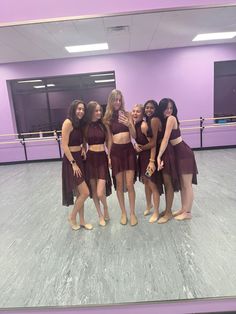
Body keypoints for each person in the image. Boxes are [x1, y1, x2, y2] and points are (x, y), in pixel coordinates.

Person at [157, 98, 198, 221]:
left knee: (186, 184)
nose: (169, 110)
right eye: (166, 108)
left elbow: (165, 139)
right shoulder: (166, 120)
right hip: (178, 154)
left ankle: (188, 212)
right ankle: (183, 208)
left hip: (184, 153)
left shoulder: (171, 118)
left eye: (171, 108)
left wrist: (159, 156)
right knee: (182, 184)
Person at [103, 89, 138, 226]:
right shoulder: (107, 119)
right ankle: (123, 212)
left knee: (129, 184)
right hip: (116, 152)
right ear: (111, 101)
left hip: (129, 150)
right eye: (115, 100)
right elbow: (109, 140)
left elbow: (134, 136)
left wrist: (129, 124)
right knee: (119, 184)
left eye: (119, 99)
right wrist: (109, 157)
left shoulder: (128, 114)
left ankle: (132, 212)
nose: (117, 102)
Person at [61, 100, 92, 230]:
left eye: (83, 109)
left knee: (81, 194)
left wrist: (83, 148)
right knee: (85, 192)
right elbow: (64, 145)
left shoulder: (79, 124)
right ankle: (72, 217)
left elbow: (81, 142)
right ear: (74, 109)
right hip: (71, 161)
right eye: (79, 109)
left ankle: (82, 221)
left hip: (80, 158)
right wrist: (73, 163)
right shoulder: (68, 122)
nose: (81, 111)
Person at [132, 103, 163, 223]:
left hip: (149, 158)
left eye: (138, 111)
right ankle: (148, 205)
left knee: (152, 184)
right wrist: (136, 145)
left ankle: (156, 211)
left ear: (142, 113)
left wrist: (152, 161)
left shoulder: (144, 125)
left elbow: (153, 144)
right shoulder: (136, 124)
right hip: (142, 158)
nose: (135, 113)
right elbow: (139, 141)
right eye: (133, 111)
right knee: (146, 182)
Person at [84, 101, 112, 227]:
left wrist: (110, 156)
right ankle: (100, 214)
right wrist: (82, 150)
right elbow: (83, 143)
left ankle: (105, 207)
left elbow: (109, 140)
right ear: (91, 112)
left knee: (100, 192)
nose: (99, 113)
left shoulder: (104, 125)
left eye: (100, 110)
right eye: (96, 111)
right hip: (90, 159)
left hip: (102, 158)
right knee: (94, 191)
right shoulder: (86, 126)